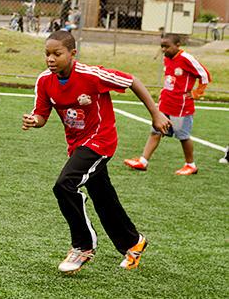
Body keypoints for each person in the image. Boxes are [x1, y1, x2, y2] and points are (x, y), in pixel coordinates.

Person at [22, 31, 171, 274]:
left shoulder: (92, 75)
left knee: (64, 185)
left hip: (101, 141)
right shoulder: (44, 81)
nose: (50, 59)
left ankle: (83, 245)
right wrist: (33, 120)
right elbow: (41, 114)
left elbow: (131, 81)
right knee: (103, 198)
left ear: (72, 54)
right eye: (47, 54)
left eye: (57, 54)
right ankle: (133, 242)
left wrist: (155, 113)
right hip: (77, 146)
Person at [124, 34, 211, 175]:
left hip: (181, 107)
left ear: (178, 45)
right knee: (155, 131)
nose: (164, 49)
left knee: (183, 136)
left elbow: (205, 75)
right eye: (162, 46)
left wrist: (196, 93)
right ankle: (143, 161)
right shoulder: (167, 58)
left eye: (167, 46)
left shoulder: (187, 59)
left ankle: (191, 165)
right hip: (165, 104)